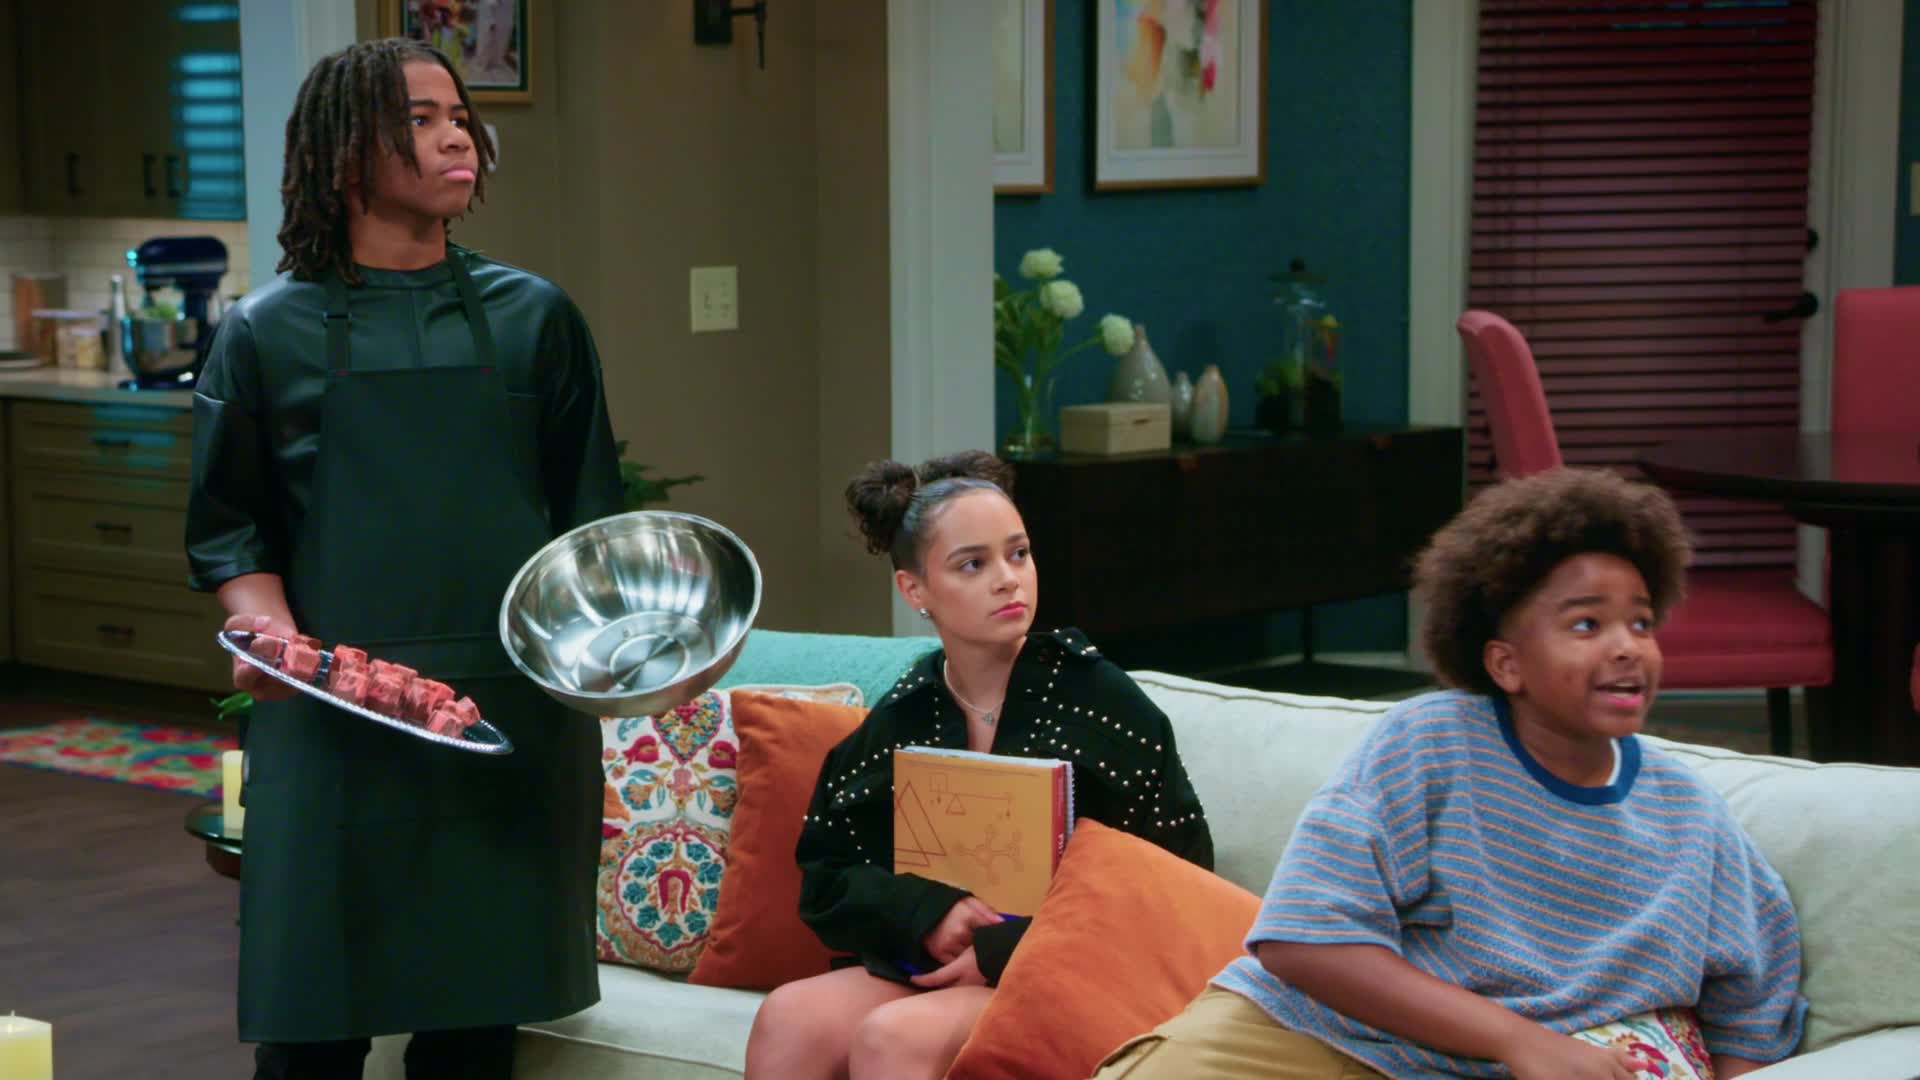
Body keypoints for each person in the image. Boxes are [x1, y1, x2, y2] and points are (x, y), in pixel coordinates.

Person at [184, 38, 623, 1080]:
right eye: (419, 120)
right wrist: (274, 642)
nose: (455, 137)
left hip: (507, 718)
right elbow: (232, 529)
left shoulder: (538, 319)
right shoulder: (265, 332)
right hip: (334, 718)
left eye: (458, 116)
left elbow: (589, 526)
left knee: (475, 1029)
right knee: (312, 1030)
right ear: (345, 153)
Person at [1094, 467, 1807, 1080]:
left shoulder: (1689, 814)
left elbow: (1754, 1008)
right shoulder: (1431, 744)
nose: (1628, 648)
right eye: (1587, 625)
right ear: (1507, 664)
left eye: (1642, 623)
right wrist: (1519, 1039)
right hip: (1308, 1031)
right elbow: (1303, 939)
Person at [743, 451, 1213, 1080]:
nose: (1008, 579)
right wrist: (927, 913)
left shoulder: (1101, 700)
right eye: (973, 564)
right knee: (788, 1017)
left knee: (892, 1036)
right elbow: (828, 872)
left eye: (1018, 554)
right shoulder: (906, 712)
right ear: (914, 590)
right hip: (938, 963)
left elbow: (1176, 879)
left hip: (1076, 967)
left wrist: (1000, 948)